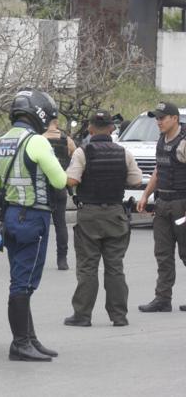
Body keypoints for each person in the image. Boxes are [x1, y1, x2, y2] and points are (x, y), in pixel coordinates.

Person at [0, 88, 67, 362]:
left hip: (10, 218)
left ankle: (30, 339)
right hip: (33, 218)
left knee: (19, 279)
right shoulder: (37, 142)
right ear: (39, 114)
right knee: (24, 284)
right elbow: (59, 181)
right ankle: (20, 344)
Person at [63, 110, 142, 327]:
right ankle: (119, 316)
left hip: (89, 214)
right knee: (115, 266)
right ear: (112, 128)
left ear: (89, 128)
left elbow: (71, 180)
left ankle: (82, 315)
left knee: (88, 266)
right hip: (115, 214)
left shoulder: (82, 152)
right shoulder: (123, 152)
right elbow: (136, 180)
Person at [138, 101, 186, 313]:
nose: (158, 122)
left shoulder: (184, 142)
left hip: (182, 204)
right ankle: (162, 299)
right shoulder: (161, 140)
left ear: (174, 118)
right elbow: (158, 170)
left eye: (162, 118)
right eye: (156, 118)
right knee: (163, 254)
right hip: (163, 203)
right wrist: (145, 195)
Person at [43, 117, 77, 270]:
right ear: (57, 123)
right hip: (60, 186)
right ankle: (62, 259)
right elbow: (75, 160)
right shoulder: (68, 140)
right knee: (60, 224)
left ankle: (39, 256)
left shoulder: (39, 139)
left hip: (42, 187)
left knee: (41, 224)